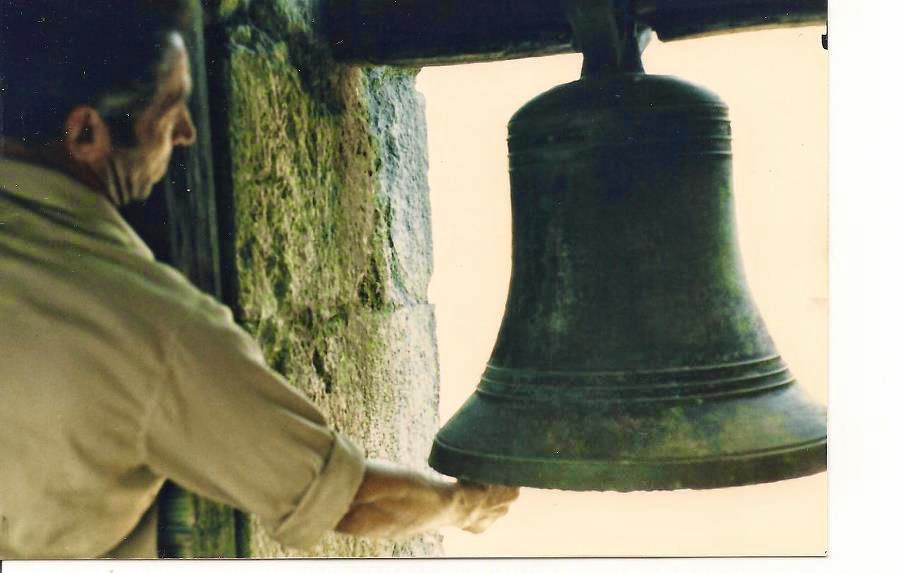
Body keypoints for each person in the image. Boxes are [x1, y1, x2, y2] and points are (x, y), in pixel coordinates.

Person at [0, 1, 518, 559]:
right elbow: (349, 499)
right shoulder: (151, 329)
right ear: (85, 134)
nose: (187, 132)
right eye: (170, 109)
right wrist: (467, 506)